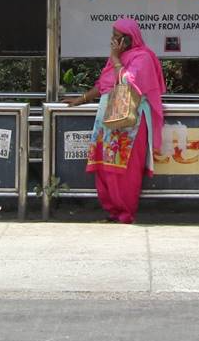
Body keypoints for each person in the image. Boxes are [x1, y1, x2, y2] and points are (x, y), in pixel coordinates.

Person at [65, 16, 165, 223]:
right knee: (104, 165)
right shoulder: (117, 58)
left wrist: (117, 59)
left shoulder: (142, 57)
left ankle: (126, 213)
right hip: (107, 122)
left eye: (117, 37)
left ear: (128, 39)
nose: (112, 41)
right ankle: (112, 211)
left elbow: (128, 82)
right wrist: (81, 99)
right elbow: (104, 84)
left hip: (131, 123)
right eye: (112, 36)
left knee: (124, 169)